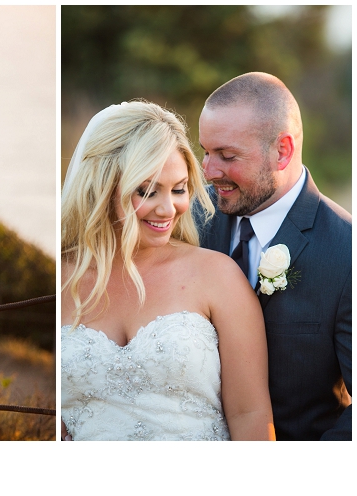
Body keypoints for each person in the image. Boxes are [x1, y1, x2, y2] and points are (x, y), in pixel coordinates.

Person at [60, 100, 275, 440]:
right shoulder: (59, 280)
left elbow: (251, 415)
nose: (167, 209)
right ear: (103, 186)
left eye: (178, 189)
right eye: (147, 191)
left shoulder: (218, 276)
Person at [198, 72, 352, 441]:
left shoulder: (347, 253)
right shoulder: (188, 217)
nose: (208, 171)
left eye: (227, 155)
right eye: (205, 151)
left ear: (282, 151)